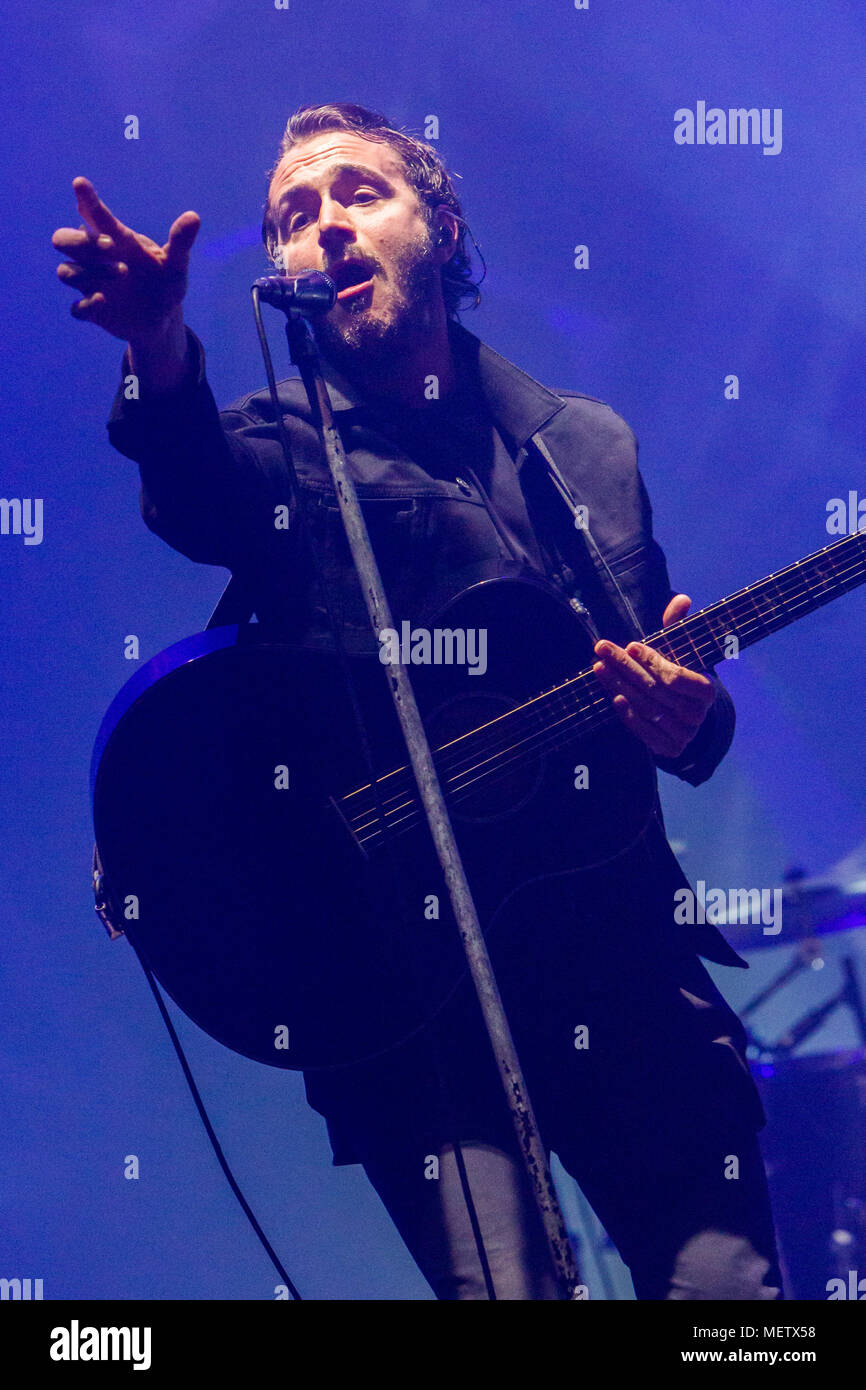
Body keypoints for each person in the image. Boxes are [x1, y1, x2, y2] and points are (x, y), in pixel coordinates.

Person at [54, 102, 783, 1301]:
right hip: (409, 1005)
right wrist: (160, 346)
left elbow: (663, 686)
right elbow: (190, 494)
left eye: (355, 194)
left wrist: (688, 717)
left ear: (435, 227)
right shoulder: (281, 445)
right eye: (293, 214)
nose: (323, 227)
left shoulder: (584, 447)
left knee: (731, 1310)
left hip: (620, 966)